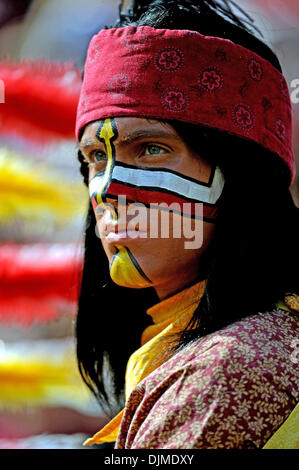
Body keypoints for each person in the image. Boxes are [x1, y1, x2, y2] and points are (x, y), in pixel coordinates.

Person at [75, 0, 299, 449]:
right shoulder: (200, 349)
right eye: (97, 157)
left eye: (152, 149)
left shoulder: (232, 369)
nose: (107, 189)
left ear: (241, 178)